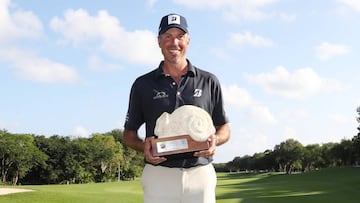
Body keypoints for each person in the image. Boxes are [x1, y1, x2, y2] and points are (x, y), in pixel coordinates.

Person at [123, 13, 231, 203]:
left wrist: (216, 139)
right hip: (159, 175)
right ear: (159, 41)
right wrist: (144, 147)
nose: (174, 42)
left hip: (200, 173)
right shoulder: (142, 84)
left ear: (188, 41)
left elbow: (224, 128)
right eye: (167, 36)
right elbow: (129, 134)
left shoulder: (208, 81)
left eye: (180, 36)